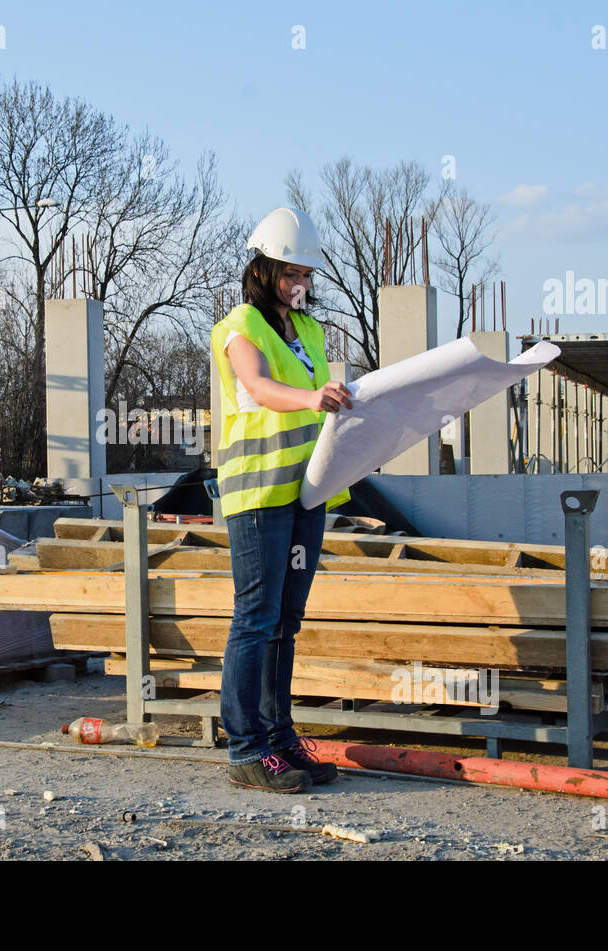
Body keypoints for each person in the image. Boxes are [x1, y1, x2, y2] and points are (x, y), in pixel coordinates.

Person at [209, 207, 354, 793]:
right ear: (264, 270)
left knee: (286, 620)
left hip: (306, 489)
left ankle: (278, 737)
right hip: (258, 491)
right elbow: (258, 388)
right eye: (291, 274)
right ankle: (246, 749)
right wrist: (312, 397)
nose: (301, 285)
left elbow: (326, 397)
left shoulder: (312, 332)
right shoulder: (240, 325)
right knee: (256, 617)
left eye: (307, 275)